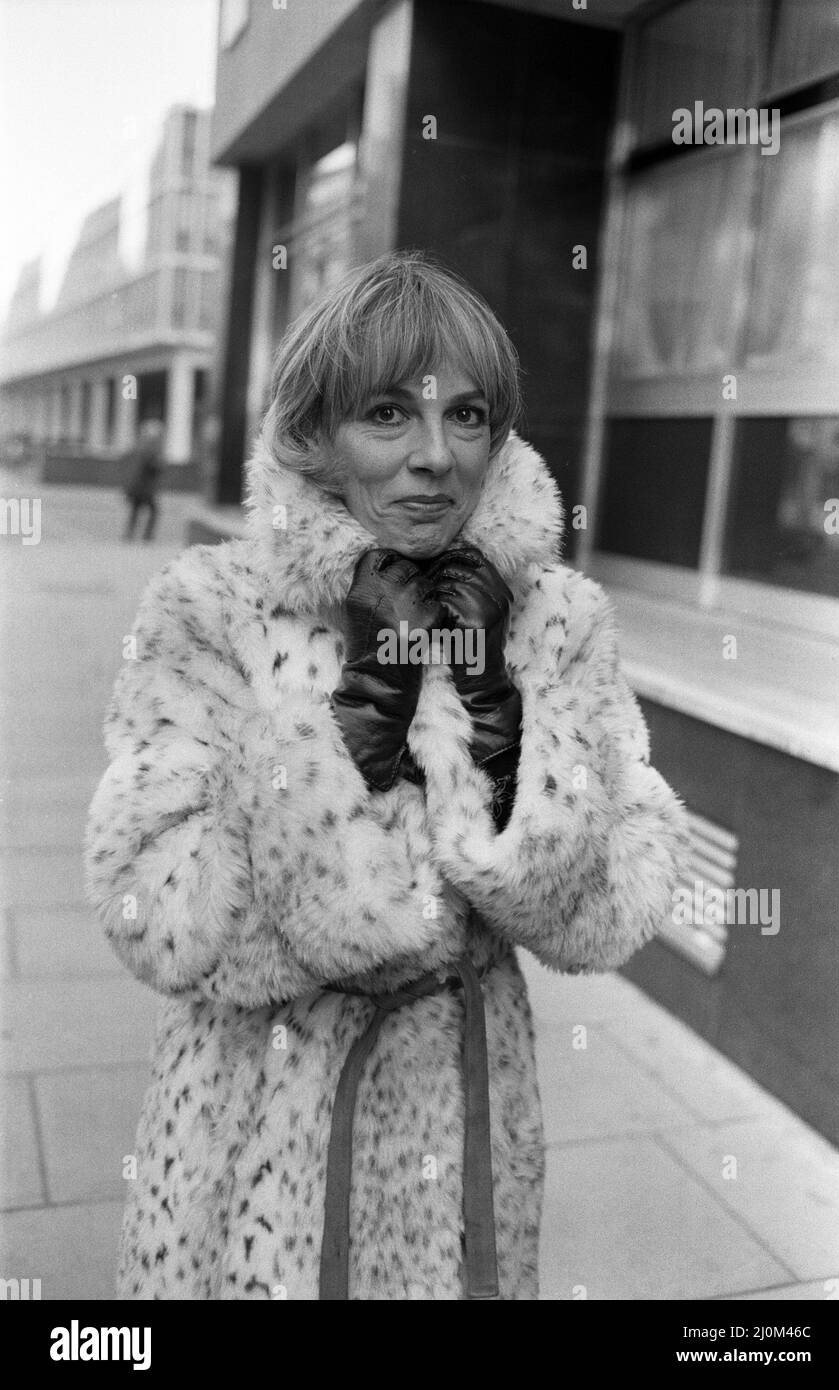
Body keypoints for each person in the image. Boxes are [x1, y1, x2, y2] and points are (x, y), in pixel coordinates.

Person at [84, 251, 688, 1300]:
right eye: (387, 414)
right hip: (255, 1127)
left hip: (463, 1118)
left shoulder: (555, 619)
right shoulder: (211, 608)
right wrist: (354, 725)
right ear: (315, 436)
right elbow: (159, 915)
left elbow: (616, 900)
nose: (434, 458)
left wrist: (501, 726)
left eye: (467, 417)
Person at [122, 418, 163, 541]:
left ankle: (130, 534)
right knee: (153, 511)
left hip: (138, 488)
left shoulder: (139, 449)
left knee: (135, 511)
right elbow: (153, 468)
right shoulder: (149, 452)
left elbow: (131, 469)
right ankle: (146, 535)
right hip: (143, 489)